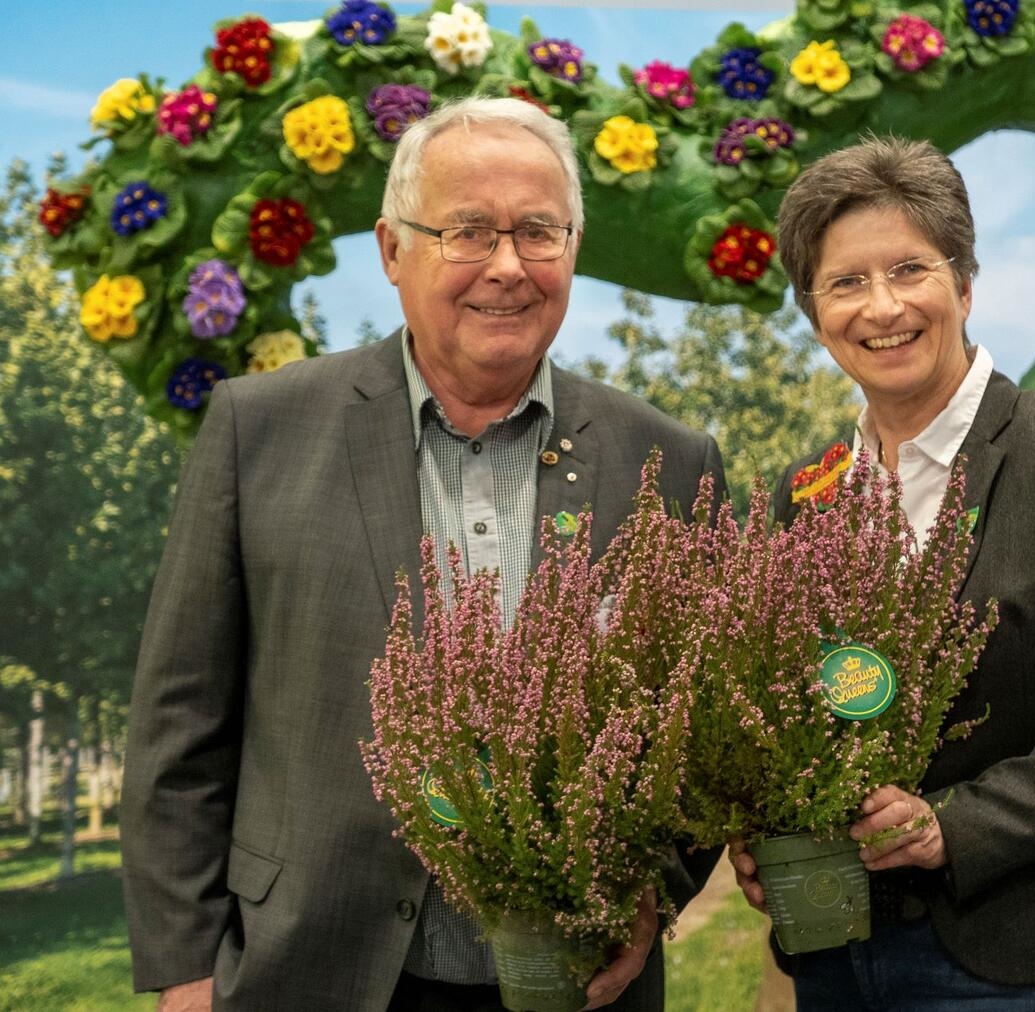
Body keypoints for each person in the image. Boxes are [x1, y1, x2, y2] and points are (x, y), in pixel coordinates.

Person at [121, 97, 726, 1012]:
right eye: (468, 232)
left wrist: (652, 894)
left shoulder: (670, 463)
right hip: (308, 969)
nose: (508, 268)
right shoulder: (260, 430)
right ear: (391, 248)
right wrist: (184, 974)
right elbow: (180, 729)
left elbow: (707, 730)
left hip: (579, 984)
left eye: (539, 232)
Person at [732, 136, 1035, 1009]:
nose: (882, 307)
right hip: (841, 950)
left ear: (963, 283)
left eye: (910, 269)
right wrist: (762, 828)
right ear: (814, 312)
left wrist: (952, 827)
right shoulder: (803, 492)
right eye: (845, 283)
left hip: (1028, 958)